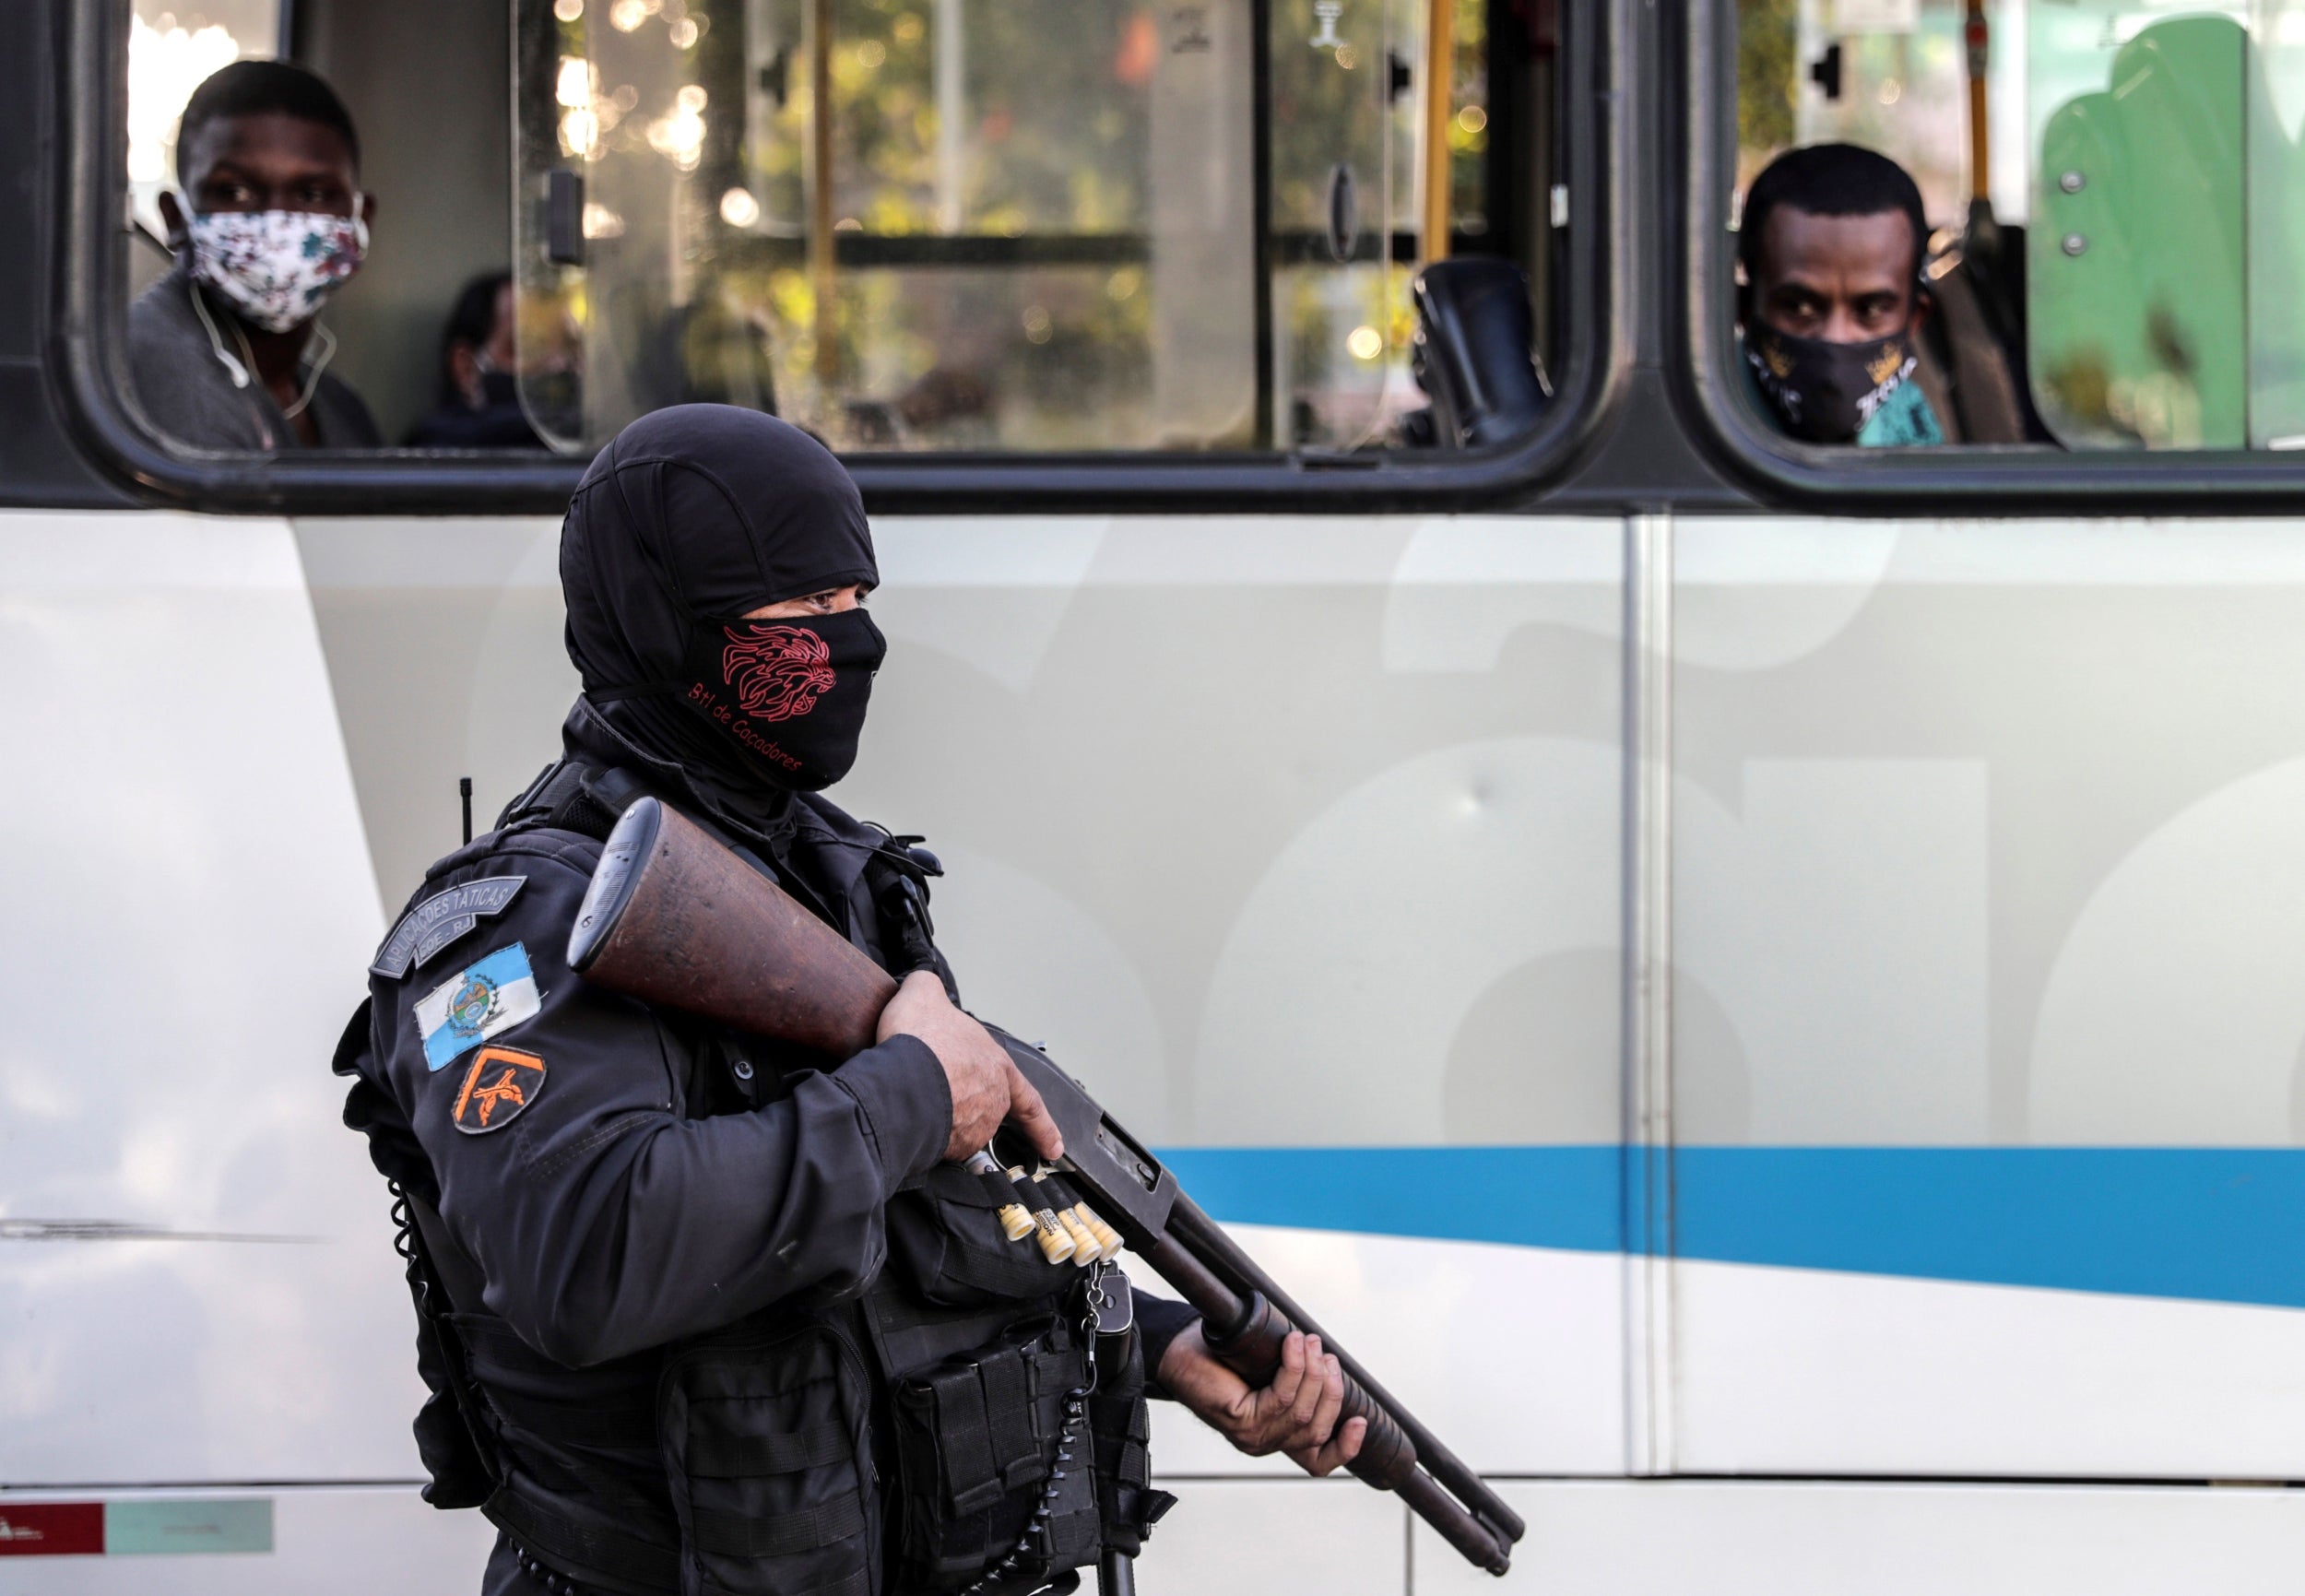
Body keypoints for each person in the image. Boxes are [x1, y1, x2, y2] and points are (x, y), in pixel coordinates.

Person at [334, 405, 1365, 1596]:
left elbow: (919, 1237)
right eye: (797, 615)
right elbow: (589, 1252)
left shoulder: (836, 873)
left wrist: (1166, 1340)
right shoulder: (510, 929)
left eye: (851, 603)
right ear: (670, 624)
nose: (846, 641)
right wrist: (918, 1089)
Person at [130, 60, 380, 452]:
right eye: (235, 192)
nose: (276, 221)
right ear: (175, 218)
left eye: (312, 195)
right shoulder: (151, 374)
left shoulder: (339, 408)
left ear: (360, 221)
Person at [1737, 142, 1945, 447]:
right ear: (1744, 309)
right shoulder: (1701, 418)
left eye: (1871, 310)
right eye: (1799, 307)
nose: (1836, 337)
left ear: (1915, 318)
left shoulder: (1911, 423)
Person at [404, 272, 549, 450]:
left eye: (570, 349)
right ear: (465, 368)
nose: (555, 363)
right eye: (528, 348)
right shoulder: (432, 453)